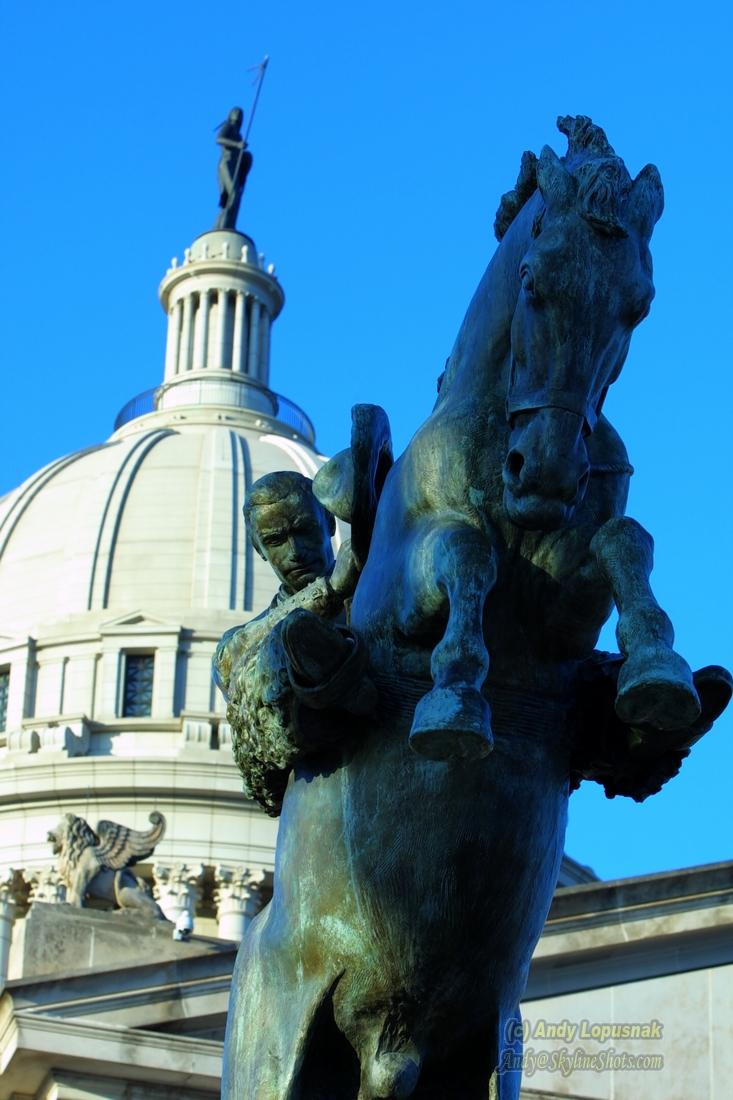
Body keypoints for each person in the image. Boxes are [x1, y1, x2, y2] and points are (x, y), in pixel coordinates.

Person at [213, 472, 375, 815]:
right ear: (259, 548)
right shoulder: (247, 641)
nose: (295, 552)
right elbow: (228, 662)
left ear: (329, 522)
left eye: (303, 530)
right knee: (293, 634)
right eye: (276, 540)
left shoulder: (379, 594)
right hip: (315, 784)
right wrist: (328, 591)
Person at [215, 107, 253, 230]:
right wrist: (237, 145)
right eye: (236, 112)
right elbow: (219, 139)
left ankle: (227, 225)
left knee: (235, 198)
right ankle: (223, 227)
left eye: (241, 113)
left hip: (234, 165)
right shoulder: (228, 126)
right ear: (230, 114)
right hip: (226, 163)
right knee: (233, 195)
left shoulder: (239, 135)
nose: (239, 114)